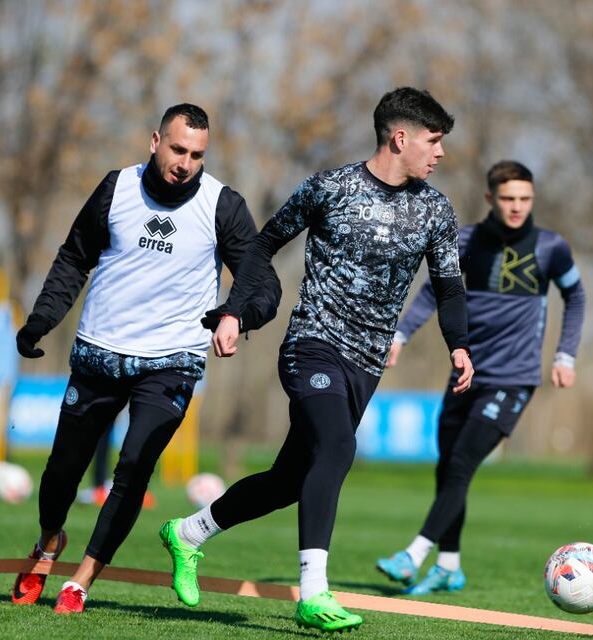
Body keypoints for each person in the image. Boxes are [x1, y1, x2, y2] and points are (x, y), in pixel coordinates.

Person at [158, 87, 474, 633]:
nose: (439, 153)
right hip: (312, 345)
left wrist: (459, 344)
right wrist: (234, 312)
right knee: (337, 445)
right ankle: (314, 593)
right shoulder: (331, 188)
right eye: (433, 140)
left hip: (367, 364)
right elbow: (262, 246)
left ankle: (187, 535)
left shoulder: (435, 208)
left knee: (288, 481)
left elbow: (449, 288)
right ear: (401, 138)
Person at [9, 103, 280, 614]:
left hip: (171, 362)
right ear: (155, 141)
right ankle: (49, 542)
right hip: (98, 353)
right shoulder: (116, 188)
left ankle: (82, 580)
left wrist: (237, 317)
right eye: (178, 149)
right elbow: (74, 256)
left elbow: (263, 281)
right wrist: (41, 319)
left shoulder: (223, 204)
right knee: (62, 472)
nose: (186, 162)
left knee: (134, 465)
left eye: (197, 154)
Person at [375, 160, 586, 596]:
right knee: (448, 468)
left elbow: (576, 295)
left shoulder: (551, 247)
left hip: (515, 378)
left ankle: (414, 554)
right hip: (466, 373)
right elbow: (435, 291)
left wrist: (565, 353)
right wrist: (400, 334)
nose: (516, 207)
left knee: (463, 463)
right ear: (491, 198)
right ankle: (449, 566)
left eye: (525, 199)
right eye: (508, 199)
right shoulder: (466, 240)